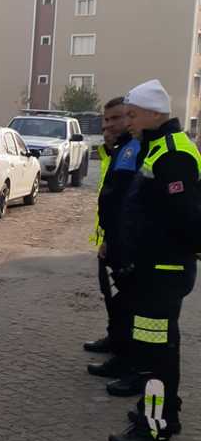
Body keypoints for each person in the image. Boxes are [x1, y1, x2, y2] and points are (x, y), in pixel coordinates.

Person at [108, 79, 201, 441]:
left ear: (151, 114)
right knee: (160, 348)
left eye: (132, 115)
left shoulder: (173, 154)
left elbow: (184, 219)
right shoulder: (158, 147)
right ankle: (164, 414)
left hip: (161, 273)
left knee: (153, 354)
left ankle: (155, 429)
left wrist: (150, 254)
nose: (127, 122)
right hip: (154, 270)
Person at [85, 97, 142, 378]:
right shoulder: (118, 149)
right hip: (113, 236)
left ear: (129, 117)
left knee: (125, 300)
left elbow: (123, 199)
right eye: (105, 120)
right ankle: (115, 340)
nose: (108, 125)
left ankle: (124, 356)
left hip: (127, 239)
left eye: (115, 119)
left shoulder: (135, 148)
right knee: (113, 295)